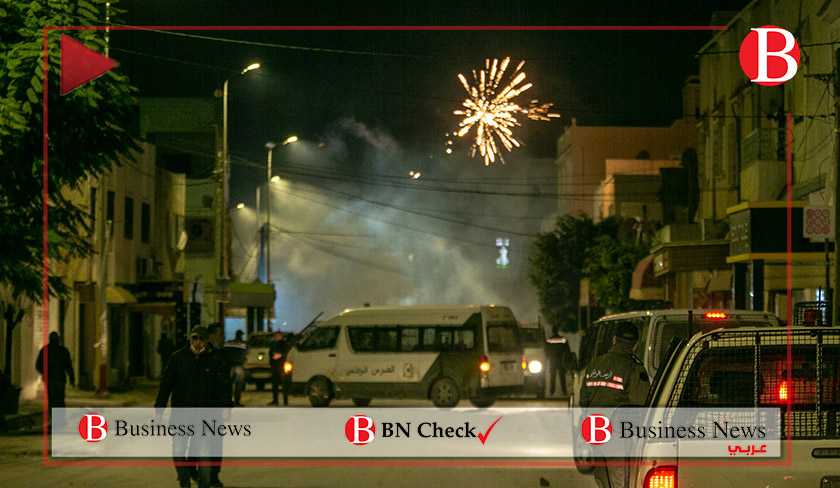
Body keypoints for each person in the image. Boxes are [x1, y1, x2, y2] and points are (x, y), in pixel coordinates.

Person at [155, 326, 230, 488]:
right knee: (179, 450)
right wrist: (159, 410)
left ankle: (204, 482)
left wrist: (226, 408)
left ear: (206, 340)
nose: (197, 342)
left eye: (201, 339)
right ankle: (184, 480)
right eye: (195, 338)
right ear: (190, 339)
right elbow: (166, 385)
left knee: (203, 453)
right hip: (182, 414)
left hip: (206, 416)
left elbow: (224, 386)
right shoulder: (178, 358)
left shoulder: (215, 359)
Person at [579, 322, 650, 488]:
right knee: (619, 477)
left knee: (602, 475)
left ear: (614, 340)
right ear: (635, 344)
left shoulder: (595, 364)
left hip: (594, 428)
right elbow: (641, 402)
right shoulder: (634, 368)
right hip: (617, 429)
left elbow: (583, 400)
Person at [35, 331, 75, 412]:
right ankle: (59, 417)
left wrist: (44, 372)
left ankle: (53, 415)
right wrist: (72, 378)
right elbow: (68, 366)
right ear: (58, 340)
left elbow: (38, 365)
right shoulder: (63, 351)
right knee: (60, 399)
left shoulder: (45, 350)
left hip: (50, 379)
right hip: (60, 379)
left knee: (52, 399)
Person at [223, 330, 248, 407]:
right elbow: (246, 354)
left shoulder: (229, 342)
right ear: (240, 335)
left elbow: (225, 352)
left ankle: (229, 401)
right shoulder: (243, 344)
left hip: (229, 366)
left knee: (229, 385)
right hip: (239, 366)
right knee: (238, 385)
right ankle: (237, 401)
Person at [268, 330, 290, 406]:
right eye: (275, 336)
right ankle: (275, 400)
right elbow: (270, 354)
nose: (276, 337)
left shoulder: (285, 344)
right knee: (275, 384)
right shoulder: (272, 344)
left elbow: (287, 353)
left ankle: (285, 401)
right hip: (274, 366)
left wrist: (280, 355)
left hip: (282, 366)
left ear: (281, 336)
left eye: (278, 336)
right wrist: (271, 362)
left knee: (284, 384)